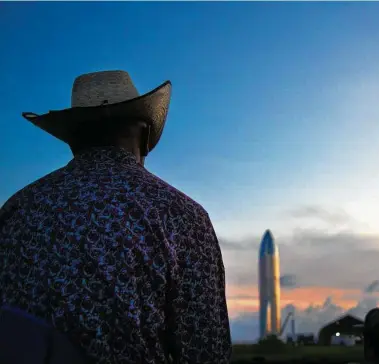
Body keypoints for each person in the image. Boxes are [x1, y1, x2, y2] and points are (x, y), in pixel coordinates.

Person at [0, 70, 232, 363]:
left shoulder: (16, 209)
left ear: (72, 140)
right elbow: (206, 350)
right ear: (145, 135)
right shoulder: (181, 216)